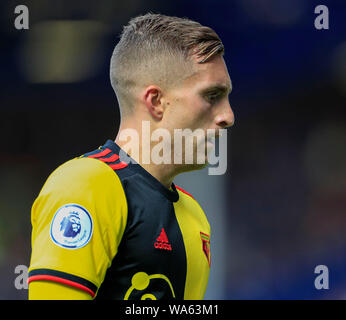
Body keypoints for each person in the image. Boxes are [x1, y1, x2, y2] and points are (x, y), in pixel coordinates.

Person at [28, 13, 234, 300]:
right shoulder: (87, 186)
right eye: (212, 96)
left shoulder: (194, 216)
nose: (228, 117)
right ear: (156, 101)